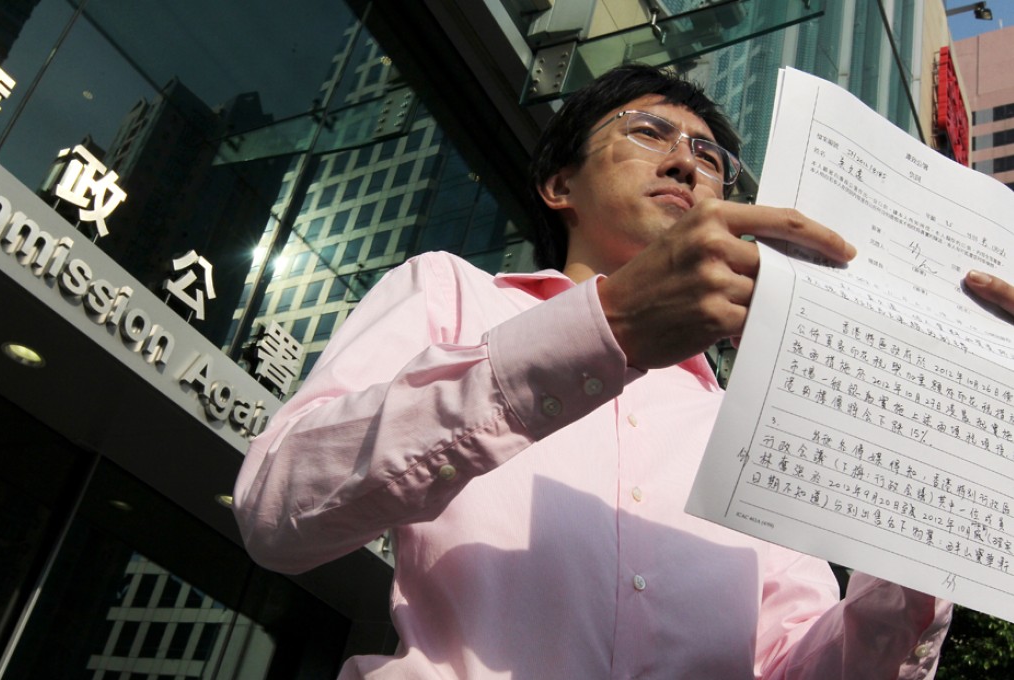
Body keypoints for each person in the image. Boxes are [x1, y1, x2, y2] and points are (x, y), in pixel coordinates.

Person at [234, 64, 1014, 679]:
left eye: (712, 157)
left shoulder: (750, 415)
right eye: (649, 131)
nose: (686, 161)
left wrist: (931, 511)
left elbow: (804, 667)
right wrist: (608, 330)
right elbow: (279, 510)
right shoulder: (450, 293)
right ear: (558, 185)